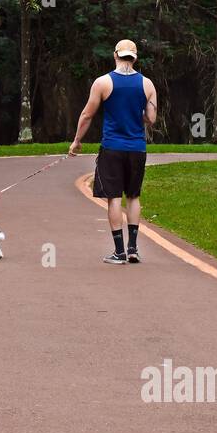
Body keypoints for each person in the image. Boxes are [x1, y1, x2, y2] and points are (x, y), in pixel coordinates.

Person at [68, 38, 157, 264]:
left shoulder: (102, 83)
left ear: (115, 55)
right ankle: (133, 248)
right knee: (134, 196)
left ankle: (119, 252)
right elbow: (151, 118)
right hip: (137, 148)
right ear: (135, 57)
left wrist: (77, 141)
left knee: (114, 198)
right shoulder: (147, 84)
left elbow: (87, 115)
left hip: (112, 148)